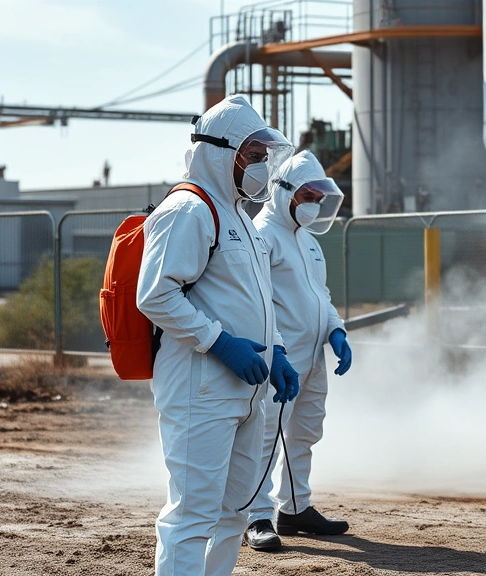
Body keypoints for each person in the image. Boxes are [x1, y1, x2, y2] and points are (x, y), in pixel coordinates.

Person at [137, 94, 301, 576]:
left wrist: (277, 353)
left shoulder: (240, 219)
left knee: (234, 513)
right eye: (253, 155)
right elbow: (156, 296)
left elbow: (251, 301)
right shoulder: (188, 209)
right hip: (200, 389)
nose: (262, 166)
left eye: (265, 156)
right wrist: (220, 343)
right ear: (222, 152)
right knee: (192, 517)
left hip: (246, 391)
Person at [244, 150, 353, 552]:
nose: (314, 205)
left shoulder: (307, 242)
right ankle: (255, 516)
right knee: (266, 436)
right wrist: (278, 352)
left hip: (313, 358)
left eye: (318, 198)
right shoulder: (262, 235)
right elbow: (257, 302)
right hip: (279, 359)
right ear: (283, 192)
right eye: (307, 195)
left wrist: (335, 330)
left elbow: (319, 295)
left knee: (305, 433)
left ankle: (294, 509)